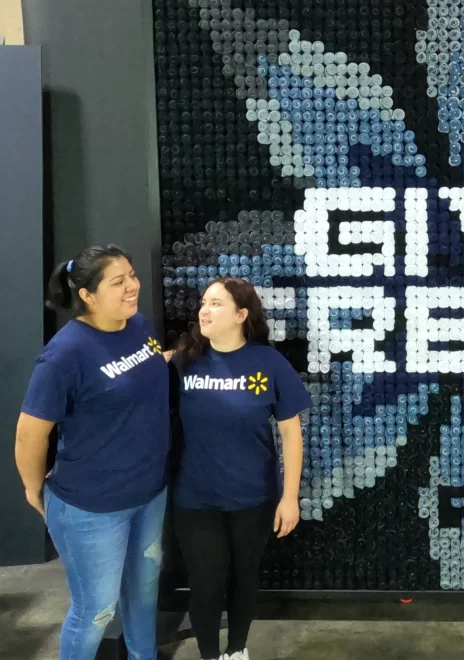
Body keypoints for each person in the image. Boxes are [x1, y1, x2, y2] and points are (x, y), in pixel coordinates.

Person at [14, 245, 171, 660]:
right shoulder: (65, 353)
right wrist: (33, 488)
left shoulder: (138, 325)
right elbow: (30, 434)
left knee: (142, 597)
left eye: (132, 276)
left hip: (149, 493)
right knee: (96, 612)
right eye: (118, 282)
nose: (133, 286)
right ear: (87, 295)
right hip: (91, 507)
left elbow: (145, 372)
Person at [171, 278, 308, 660]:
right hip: (195, 499)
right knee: (206, 584)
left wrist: (290, 498)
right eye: (203, 302)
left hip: (253, 497)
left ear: (241, 314)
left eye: (216, 304)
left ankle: (237, 649)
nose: (204, 310)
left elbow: (291, 435)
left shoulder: (268, 362)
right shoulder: (185, 360)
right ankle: (210, 655)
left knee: (244, 578)